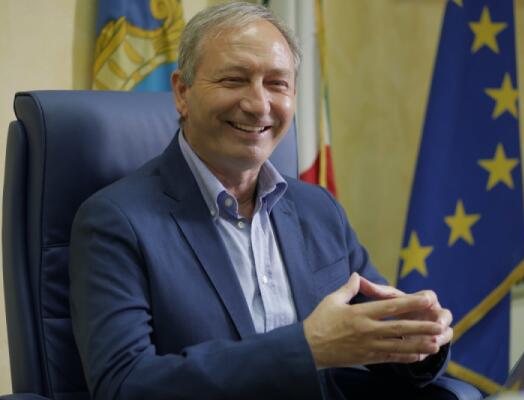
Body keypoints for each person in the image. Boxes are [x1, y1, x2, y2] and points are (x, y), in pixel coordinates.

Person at [69, 2, 453, 399]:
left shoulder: (318, 209)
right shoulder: (116, 221)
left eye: (277, 83)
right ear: (182, 92)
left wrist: (420, 337)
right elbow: (124, 386)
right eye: (234, 80)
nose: (258, 104)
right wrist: (308, 348)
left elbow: (375, 336)